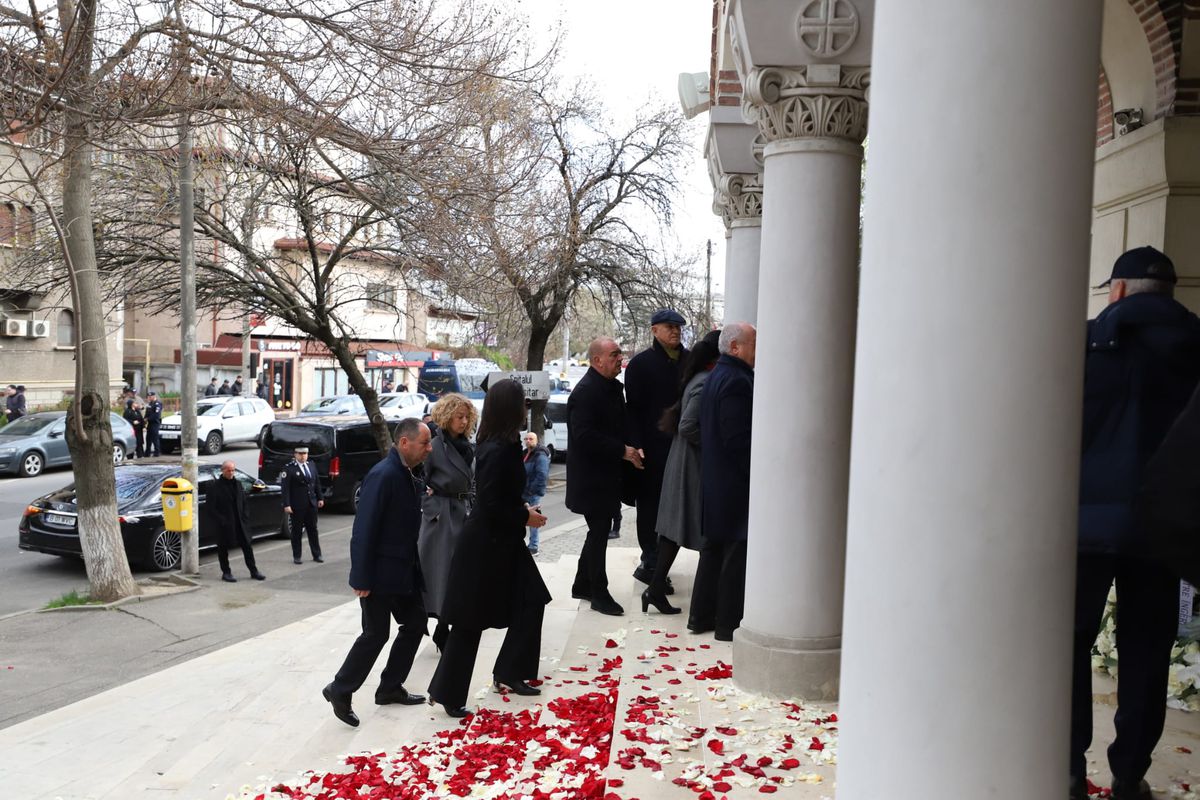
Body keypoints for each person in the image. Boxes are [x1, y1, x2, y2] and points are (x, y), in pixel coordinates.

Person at [1069, 247, 1200, 800]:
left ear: (1117, 291)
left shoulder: (1085, 341)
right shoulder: (1197, 346)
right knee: (1147, 648)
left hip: (1084, 525)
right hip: (1164, 525)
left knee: (1070, 645)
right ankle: (1129, 773)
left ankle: (1069, 769)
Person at [427, 379, 550, 717]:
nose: (526, 409)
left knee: (531, 600)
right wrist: (525, 516)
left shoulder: (501, 444)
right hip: (485, 545)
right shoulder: (497, 449)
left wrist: (522, 512)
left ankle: (510, 672)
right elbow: (492, 503)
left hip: (501, 541)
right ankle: (448, 693)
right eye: (521, 404)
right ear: (509, 409)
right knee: (470, 620)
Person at [322, 418, 433, 727]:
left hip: (403, 570)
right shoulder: (383, 475)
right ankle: (340, 689)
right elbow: (363, 529)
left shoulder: (408, 473)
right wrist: (361, 577)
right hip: (379, 573)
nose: (429, 448)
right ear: (405, 443)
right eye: (424, 443)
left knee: (415, 623)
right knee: (376, 634)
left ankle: (389, 687)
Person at [646, 329, 722, 615]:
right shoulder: (704, 383)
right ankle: (698, 597)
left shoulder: (697, 378)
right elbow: (688, 426)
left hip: (685, 461)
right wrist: (713, 443)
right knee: (691, 530)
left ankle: (654, 590)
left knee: (673, 530)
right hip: (691, 464)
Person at [566, 336, 644, 616]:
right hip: (592, 478)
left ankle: (582, 584)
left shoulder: (610, 388)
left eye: (620, 354)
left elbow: (619, 424)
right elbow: (584, 436)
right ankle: (598, 591)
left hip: (607, 475)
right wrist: (622, 450)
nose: (619, 360)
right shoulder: (586, 392)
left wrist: (634, 447)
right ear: (597, 360)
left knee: (598, 530)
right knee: (599, 532)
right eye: (614, 355)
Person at [690, 322, 756, 642]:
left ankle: (700, 616)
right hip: (733, 481)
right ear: (735, 348)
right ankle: (727, 623)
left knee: (714, 549)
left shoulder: (718, 374)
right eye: (754, 344)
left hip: (717, 477)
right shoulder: (736, 380)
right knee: (733, 552)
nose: (759, 351)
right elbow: (737, 438)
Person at [623, 309, 689, 590]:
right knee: (649, 506)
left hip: (682, 445)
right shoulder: (641, 364)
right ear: (654, 331)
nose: (675, 331)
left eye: (678, 327)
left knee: (674, 506)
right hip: (652, 449)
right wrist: (636, 446)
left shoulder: (689, 361)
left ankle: (661, 561)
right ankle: (650, 561)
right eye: (668, 326)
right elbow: (634, 410)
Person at [418, 393, 478, 653]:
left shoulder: (468, 445)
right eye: (459, 417)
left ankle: (448, 626)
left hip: (465, 512)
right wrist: (430, 504)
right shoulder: (434, 446)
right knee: (442, 575)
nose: (464, 422)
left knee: (462, 574)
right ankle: (442, 628)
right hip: (442, 517)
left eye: (467, 417)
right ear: (446, 416)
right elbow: (419, 479)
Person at [205, 460, 266, 583]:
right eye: (229, 470)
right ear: (223, 471)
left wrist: (245, 516)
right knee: (223, 548)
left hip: (240, 522)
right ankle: (226, 572)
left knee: (247, 547)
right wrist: (221, 520)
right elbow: (210, 507)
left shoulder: (238, 484)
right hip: (225, 523)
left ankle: (254, 571)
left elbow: (243, 502)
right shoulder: (214, 486)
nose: (231, 472)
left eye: (233, 470)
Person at [281, 445, 324, 564]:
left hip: (311, 503)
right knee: (297, 531)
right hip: (297, 505)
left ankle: (317, 554)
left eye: (305, 454)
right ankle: (297, 556)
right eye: (300, 454)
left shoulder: (311, 465)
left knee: (313, 530)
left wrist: (320, 497)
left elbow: (316, 483)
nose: (303, 456)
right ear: (295, 455)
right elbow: (285, 488)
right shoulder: (289, 469)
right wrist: (287, 504)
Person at [522, 431, 550, 554]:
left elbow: (542, 475)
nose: (528, 441)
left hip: (532, 492)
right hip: (524, 492)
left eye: (531, 439)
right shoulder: (526, 453)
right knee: (523, 518)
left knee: (533, 518)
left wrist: (531, 489)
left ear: (536, 440)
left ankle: (533, 546)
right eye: (526, 439)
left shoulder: (540, 454)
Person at [143, 391, 163, 457]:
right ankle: (147, 452)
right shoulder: (150, 404)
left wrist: (148, 419)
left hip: (155, 423)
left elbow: (156, 415)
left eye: (150, 396)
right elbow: (147, 412)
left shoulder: (157, 404)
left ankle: (157, 452)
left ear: (154, 396)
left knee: (155, 438)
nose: (149, 398)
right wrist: (145, 419)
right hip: (150, 424)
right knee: (148, 438)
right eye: (148, 397)